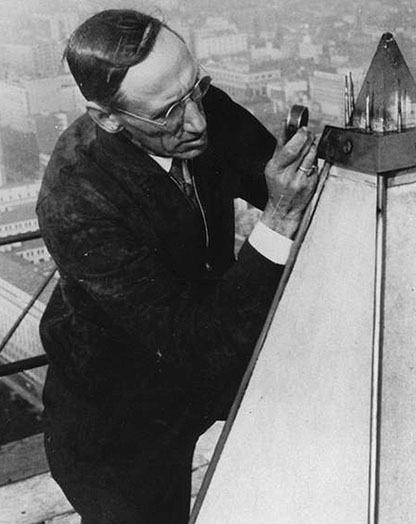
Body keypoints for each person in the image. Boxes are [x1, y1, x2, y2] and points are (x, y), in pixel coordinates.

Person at [36, 10, 320, 524]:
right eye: (168, 112)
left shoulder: (191, 104)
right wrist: (278, 219)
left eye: (197, 89)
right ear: (106, 117)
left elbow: (293, 192)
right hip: (123, 410)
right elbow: (191, 340)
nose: (198, 121)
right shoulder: (75, 198)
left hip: (217, 345)